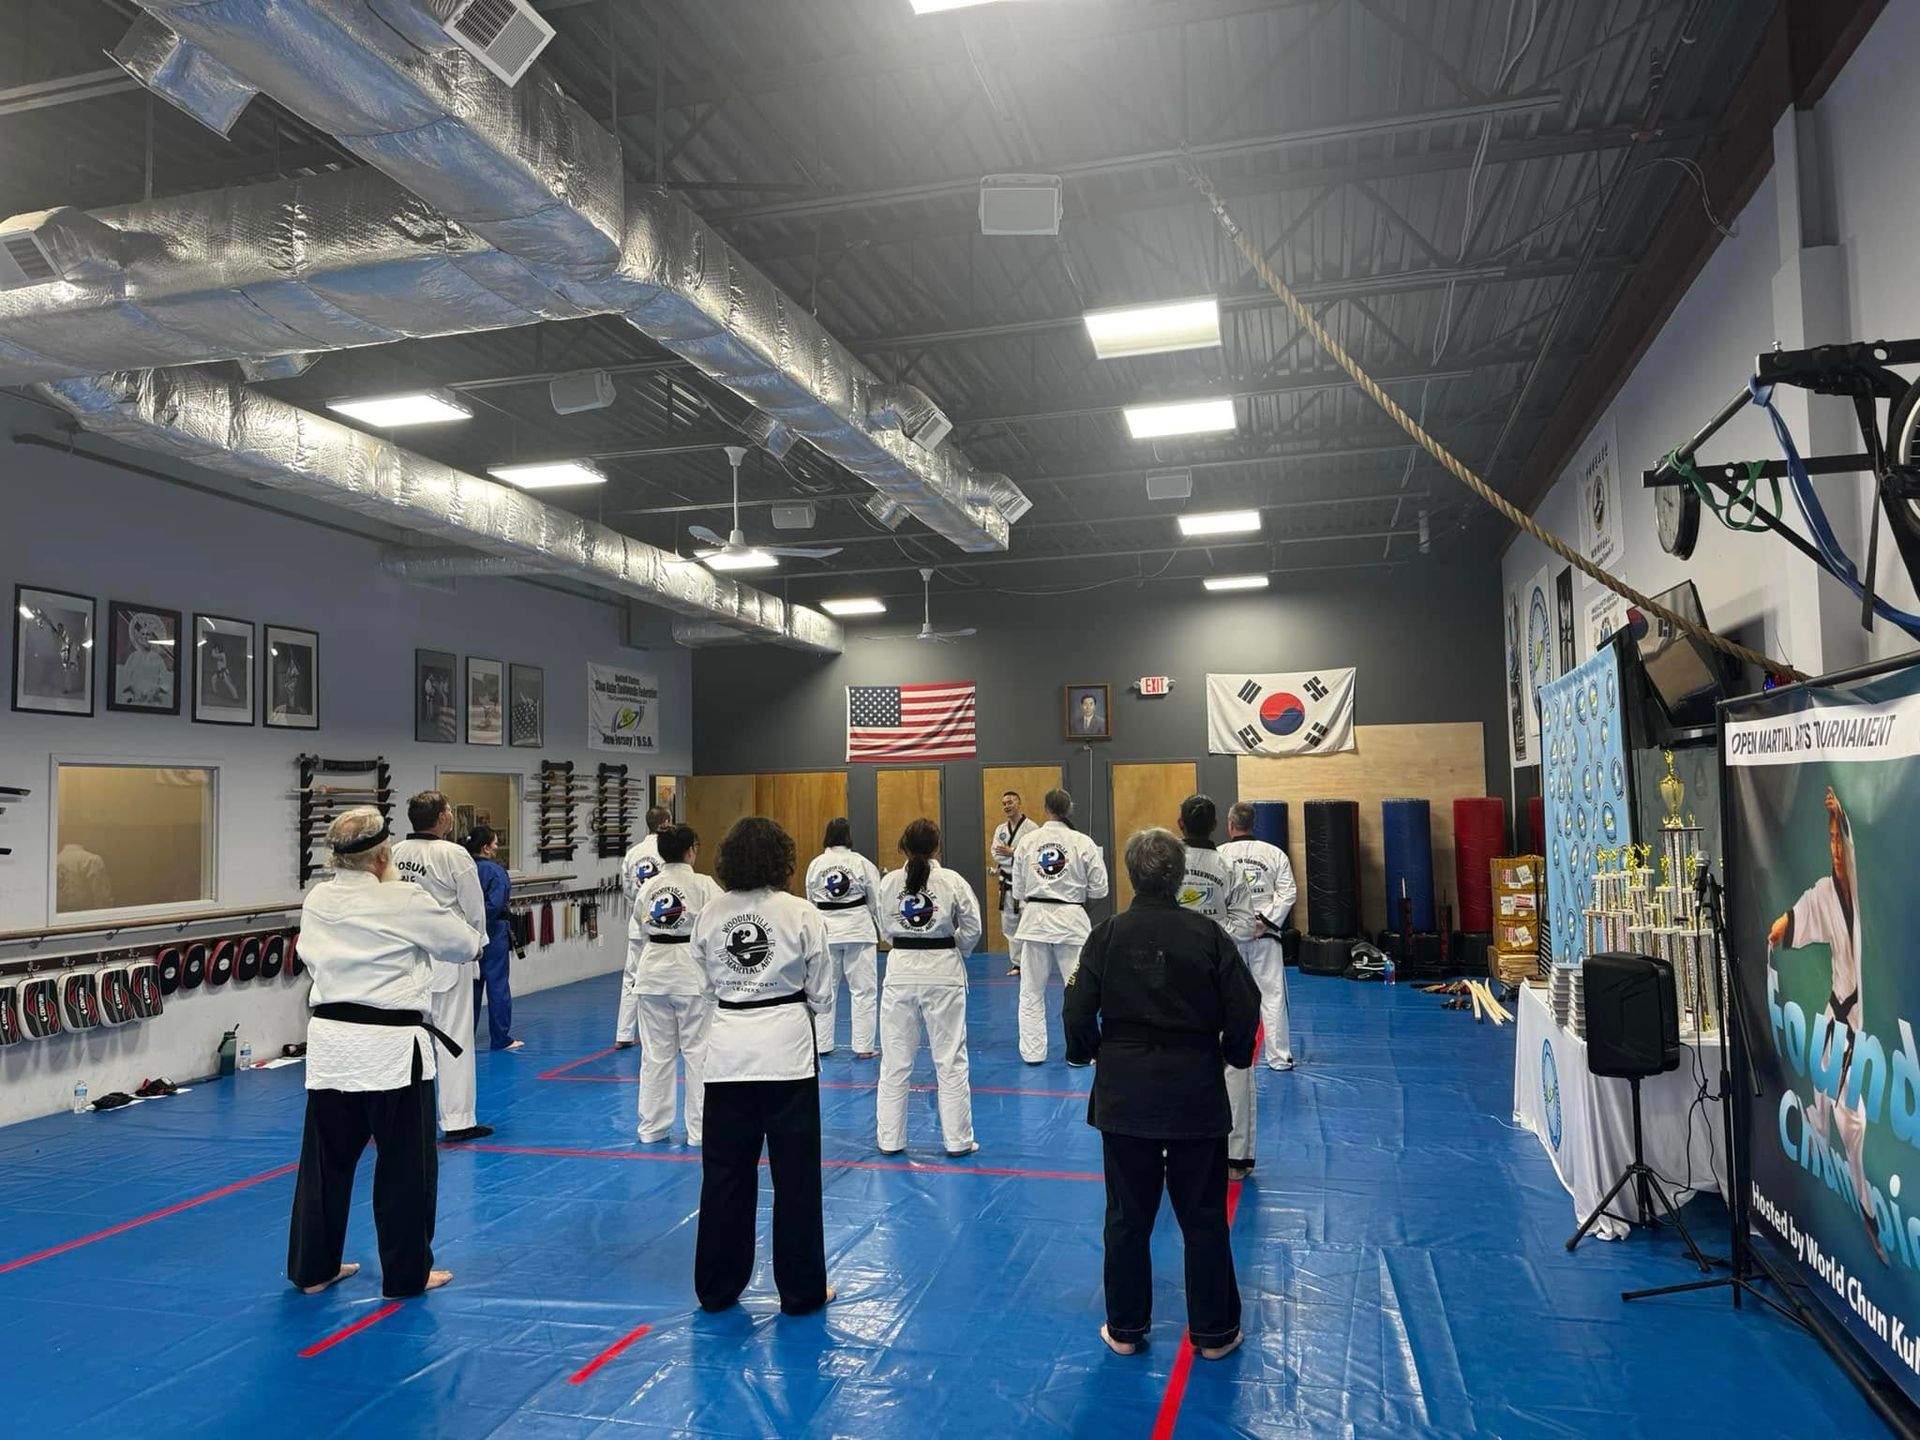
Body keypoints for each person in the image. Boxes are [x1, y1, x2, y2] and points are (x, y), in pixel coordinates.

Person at [1063, 826, 1260, 1361]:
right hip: (1194, 1087)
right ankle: (1214, 1333)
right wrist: (1233, 1054)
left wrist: (1088, 1050)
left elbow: (1077, 1008)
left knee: (1127, 1216)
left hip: (1126, 1091)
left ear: (1130, 875)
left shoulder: (1106, 935)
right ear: (1177, 878)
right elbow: (1245, 1006)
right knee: (1202, 1215)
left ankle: (1126, 1328)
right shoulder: (1208, 936)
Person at [287, 807, 484, 1299]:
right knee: (404, 1168)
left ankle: (313, 1269)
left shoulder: (317, 899)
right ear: (381, 855)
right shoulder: (402, 898)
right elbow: (464, 945)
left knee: (324, 1165)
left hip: (331, 1046)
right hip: (392, 1052)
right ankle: (405, 1274)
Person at [690, 816, 835, 1315]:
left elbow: (703, 984)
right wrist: (782, 997)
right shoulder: (801, 913)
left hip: (728, 1053)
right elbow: (823, 990)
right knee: (796, 1178)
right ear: (782, 858)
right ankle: (800, 1292)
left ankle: (717, 1286)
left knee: (726, 1175)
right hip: (787, 1056)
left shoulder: (710, 914)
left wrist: (740, 993)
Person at [1769, 787, 1885, 1263]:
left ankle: (1867, 1212)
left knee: (1852, 1124)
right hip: (1835, 1018)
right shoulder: (1824, 893)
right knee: (1822, 1109)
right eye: (1832, 840)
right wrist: (1776, 930)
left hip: (1862, 1026)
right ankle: (1821, 1190)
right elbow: (1791, 921)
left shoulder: (1869, 898)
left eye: (1843, 841)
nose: (1836, 850)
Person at [877, 819, 983, 1157]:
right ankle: (958, 1140)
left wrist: (906, 942)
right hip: (943, 972)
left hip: (901, 971)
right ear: (937, 846)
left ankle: (890, 1139)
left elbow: (885, 930)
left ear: (903, 848)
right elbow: (973, 927)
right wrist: (956, 947)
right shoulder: (951, 881)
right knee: (950, 1059)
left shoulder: (890, 883)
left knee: (895, 1060)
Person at [392, 791, 491, 1142]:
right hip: (449, 955)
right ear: (442, 818)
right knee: (454, 1039)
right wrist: (476, 945)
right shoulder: (453, 854)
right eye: (448, 810)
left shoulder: (394, 854)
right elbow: (474, 908)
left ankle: (396, 1119)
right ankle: (458, 1119)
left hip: (405, 958)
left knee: (405, 1041)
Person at [1173, 794, 1259, 1181]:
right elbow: (1244, 925)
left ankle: (1169, 1145)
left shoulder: (1166, 864)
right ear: (1214, 826)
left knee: (1168, 1057)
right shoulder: (1229, 868)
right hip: (1220, 973)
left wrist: (1188, 934)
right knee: (1235, 1061)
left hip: (1171, 975)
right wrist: (1210, 934)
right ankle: (1236, 1156)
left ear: (1180, 824)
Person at [634, 824, 719, 1145]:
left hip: (653, 971)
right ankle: (699, 1132)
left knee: (656, 1055)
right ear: (691, 850)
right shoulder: (703, 885)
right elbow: (718, 925)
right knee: (698, 1053)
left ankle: (652, 1128)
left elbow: (639, 930)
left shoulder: (649, 887)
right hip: (690, 974)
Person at [1011, 788, 1109, 1065]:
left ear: (1045, 808)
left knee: (1031, 990)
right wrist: (1077, 903)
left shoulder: (1028, 842)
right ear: (1069, 809)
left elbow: (1018, 889)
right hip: (1070, 920)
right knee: (1079, 990)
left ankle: (1033, 1052)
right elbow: (1100, 888)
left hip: (1035, 920)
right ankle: (1082, 1051)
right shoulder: (1082, 842)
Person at [1219, 802, 1297, 1071]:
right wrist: (1265, 921)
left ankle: (1228, 1052)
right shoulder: (1274, 854)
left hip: (1231, 934)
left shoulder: (1219, 855)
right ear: (1254, 823)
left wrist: (1233, 924)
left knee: (1227, 995)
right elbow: (1288, 892)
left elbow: (1216, 896)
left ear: (1230, 824)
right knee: (1272, 994)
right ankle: (1279, 1057)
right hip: (1265, 935)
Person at [804, 818, 884, 1058]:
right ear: (849, 836)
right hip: (859, 930)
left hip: (826, 931)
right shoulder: (861, 863)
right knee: (863, 991)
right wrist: (883, 930)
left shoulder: (816, 864)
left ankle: (822, 1044)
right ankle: (863, 1047)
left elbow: (810, 900)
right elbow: (876, 900)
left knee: (825, 990)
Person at [615, 806, 676, 1047]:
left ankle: (623, 1034)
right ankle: (671, 1033)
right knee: (669, 976)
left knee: (631, 977)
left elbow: (628, 889)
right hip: (665, 925)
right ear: (667, 822)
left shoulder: (633, 853)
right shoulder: (668, 852)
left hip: (639, 921)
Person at [463, 826, 521, 1052]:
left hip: (467, 934)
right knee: (497, 986)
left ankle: (465, 1036)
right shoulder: (495, 872)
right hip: (493, 933)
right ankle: (501, 1038)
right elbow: (495, 904)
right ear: (486, 848)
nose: (497, 847)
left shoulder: (464, 868)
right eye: (495, 843)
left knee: (472, 986)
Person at [990, 790, 1034, 976]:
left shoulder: (1031, 828)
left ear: (1019, 803)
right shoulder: (1000, 830)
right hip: (1006, 883)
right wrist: (1012, 855)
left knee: (1029, 924)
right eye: (1004, 803)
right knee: (1009, 925)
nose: (1007, 806)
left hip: (1025, 884)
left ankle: (1031, 963)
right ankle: (1017, 964)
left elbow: (1034, 854)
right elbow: (996, 853)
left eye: (1010, 802)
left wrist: (1013, 852)